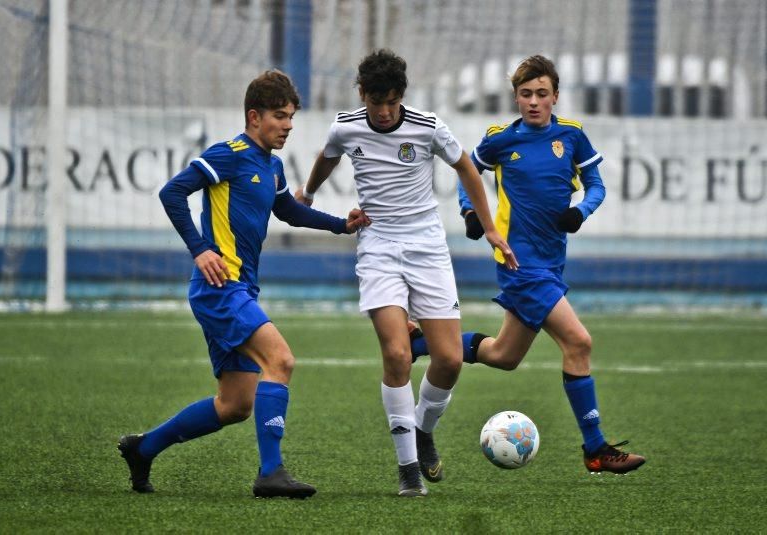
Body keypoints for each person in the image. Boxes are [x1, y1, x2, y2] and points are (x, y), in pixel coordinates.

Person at [118, 70, 370, 499]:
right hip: (220, 288)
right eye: (279, 116)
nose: (288, 125)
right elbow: (172, 193)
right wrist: (200, 248)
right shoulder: (230, 154)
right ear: (254, 117)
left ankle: (144, 448)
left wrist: (340, 226)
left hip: (238, 291)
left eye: (290, 117)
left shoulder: (270, 165)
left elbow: (288, 209)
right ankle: (271, 473)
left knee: (235, 404)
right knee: (282, 361)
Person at [295, 49, 516, 497]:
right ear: (363, 94)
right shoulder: (347, 124)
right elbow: (328, 154)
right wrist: (309, 191)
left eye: (392, 101)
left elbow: (467, 169)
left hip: (427, 246)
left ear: (401, 96)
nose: (384, 110)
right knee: (397, 355)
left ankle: (423, 428)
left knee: (450, 359)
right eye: (377, 101)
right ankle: (408, 472)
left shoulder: (428, 125)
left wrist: (490, 227)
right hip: (377, 245)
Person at [411, 55, 645, 475]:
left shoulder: (572, 136)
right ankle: (595, 448)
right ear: (516, 98)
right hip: (519, 264)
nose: (534, 102)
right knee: (579, 343)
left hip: (552, 263)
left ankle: (421, 342)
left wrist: (581, 211)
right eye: (525, 94)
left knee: (504, 355)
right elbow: (470, 173)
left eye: (542, 94)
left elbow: (596, 185)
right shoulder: (501, 139)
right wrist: (471, 213)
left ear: (555, 96)